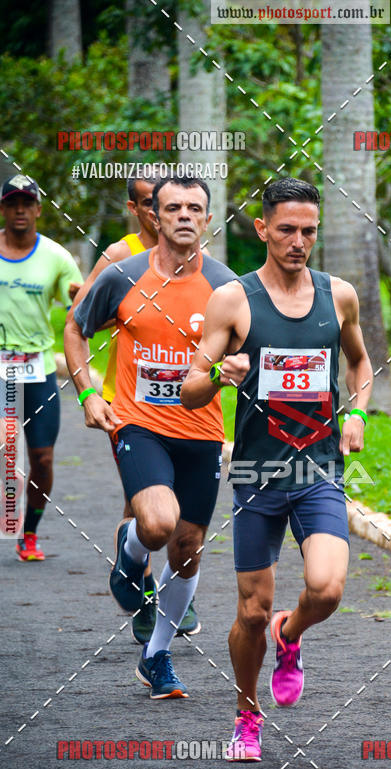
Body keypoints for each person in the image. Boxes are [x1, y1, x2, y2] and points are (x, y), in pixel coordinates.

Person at [181, 176, 373, 761]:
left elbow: (361, 364)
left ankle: (291, 636)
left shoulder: (338, 295)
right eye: (286, 229)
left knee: (328, 587)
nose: (297, 241)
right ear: (262, 228)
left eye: (308, 231)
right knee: (250, 611)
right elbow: (189, 388)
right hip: (256, 474)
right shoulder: (233, 300)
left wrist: (358, 412)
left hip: (319, 468)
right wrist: (220, 375)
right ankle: (246, 711)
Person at [64, 175, 236, 699]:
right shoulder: (123, 275)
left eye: (195, 208)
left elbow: (255, 354)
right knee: (158, 524)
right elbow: (76, 328)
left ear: (208, 220)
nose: (185, 215)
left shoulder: (229, 288)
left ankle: (156, 656)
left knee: (187, 549)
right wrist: (90, 395)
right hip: (139, 424)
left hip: (203, 432)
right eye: (173, 208)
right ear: (154, 218)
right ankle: (133, 544)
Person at [67, 175, 199, 643]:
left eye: (190, 207)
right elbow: (79, 318)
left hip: (192, 418)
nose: (157, 212)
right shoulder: (122, 259)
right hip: (129, 407)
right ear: (142, 209)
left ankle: (168, 569)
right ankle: (142, 588)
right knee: (144, 504)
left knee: (173, 518)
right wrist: (88, 393)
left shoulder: (206, 269)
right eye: (150, 204)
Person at [0, 174, 82, 561]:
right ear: (3, 209)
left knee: (43, 458)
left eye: (26, 203)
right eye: (12, 203)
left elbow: (77, 312)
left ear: (37, 209)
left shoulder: (56, 257)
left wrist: (81, 304)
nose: (20, 210)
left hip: (36, 370)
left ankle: (28, 533)